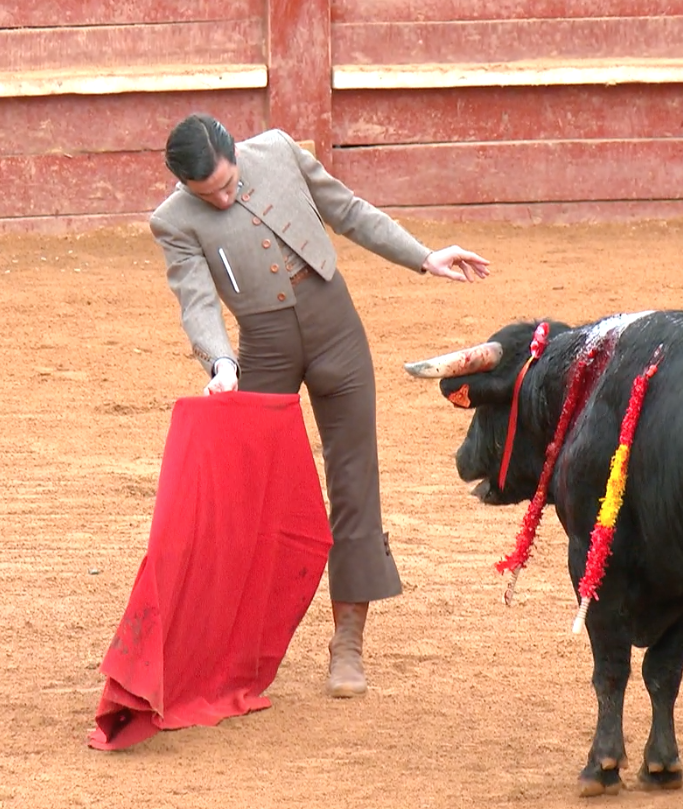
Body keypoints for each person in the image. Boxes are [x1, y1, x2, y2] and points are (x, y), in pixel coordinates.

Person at [149, 113, 490, 698]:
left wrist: (423, 255)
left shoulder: (277, 150)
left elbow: (348, 211)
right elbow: (197, 300)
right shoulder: (173, 221)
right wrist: (222, 364)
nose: (226, 199)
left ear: (236, 153)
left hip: (338, 332)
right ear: (185, 187)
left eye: (230, 184)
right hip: (264, 350)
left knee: (355, 480)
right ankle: (239, 643)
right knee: (253, 493)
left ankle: (348, 644)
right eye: (211, 197)